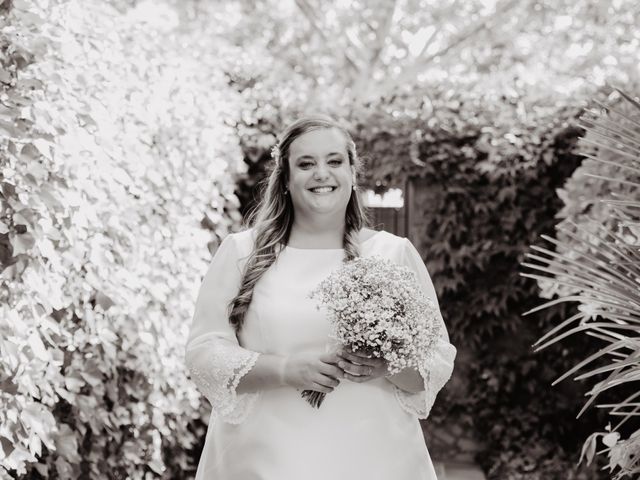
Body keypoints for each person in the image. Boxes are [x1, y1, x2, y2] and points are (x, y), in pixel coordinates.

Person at [184, 115, 457, 480]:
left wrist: (387, 365)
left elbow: (435, 359)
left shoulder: (392, 254)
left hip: (374, 458)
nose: (321, 174)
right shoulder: (241, 252)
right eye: (306, 164)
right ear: (285, 179)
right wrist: (286, 369)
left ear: (352, 173)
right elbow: (204, 355)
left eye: (334, 161)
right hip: (265, 458)